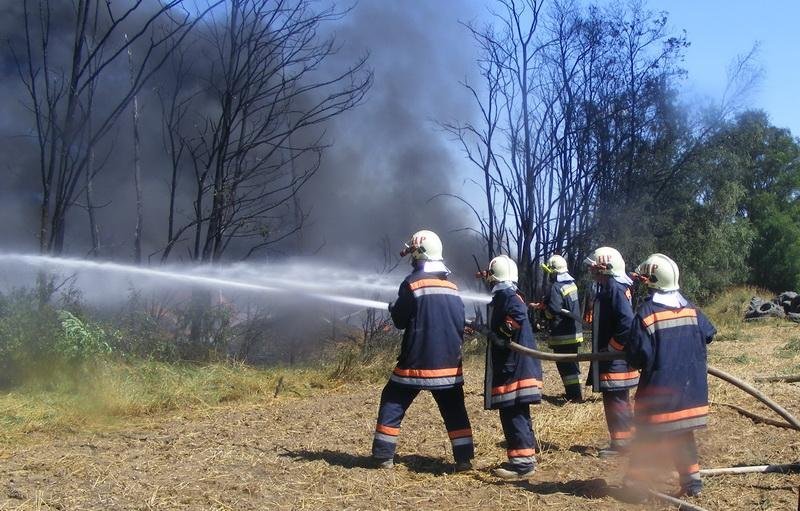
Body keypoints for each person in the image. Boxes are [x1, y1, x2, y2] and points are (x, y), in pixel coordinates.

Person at [371, 230, 474, 471]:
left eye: (413, 254)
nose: (411, 259)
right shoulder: (452, 287)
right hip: (449, 363)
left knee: (393, 401)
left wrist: (394, 308)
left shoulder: (412, 283)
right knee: (454, 409)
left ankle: (383, 456)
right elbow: (458, 321)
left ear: (419, 255)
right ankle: (464, 459)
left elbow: (400, 320)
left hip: (416, 363)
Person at [624, 253, 716, 498]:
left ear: (651, 281)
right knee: (683, 436)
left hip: (659, 397)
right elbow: (708, 334)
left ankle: (636, 486)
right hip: (691, 395)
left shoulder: (647, 313)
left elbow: (636, 357)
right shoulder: (692, 310)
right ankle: (692, 483)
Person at [481, 255, 543, 479]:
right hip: (516, 367)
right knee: (517, 413)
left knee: (513, 414)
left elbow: (518, 314)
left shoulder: (507, 295)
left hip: (514, 369)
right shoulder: (505, 295)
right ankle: (525, 459)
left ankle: (522, 465)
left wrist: (503, 333)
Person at [584, 246, 639, 457]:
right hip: (615, 358)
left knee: (615, 400)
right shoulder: (612, 287)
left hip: (614, 359)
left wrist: (612, 348)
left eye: (594, 268)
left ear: (604, 268)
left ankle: (622, 446)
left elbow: (626, 323)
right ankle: (625, 441)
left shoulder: (614, 288)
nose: (591, 272)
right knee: (619, 399)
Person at [531, 254, 583, 402]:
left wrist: (543, 312)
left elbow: (553, 310)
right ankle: (576, 393)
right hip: (574, 333)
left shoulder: (556, 287)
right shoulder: (571, 284)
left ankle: (573, 396)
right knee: (573, 366)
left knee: (566, 368)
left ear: (554, 272)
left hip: (562, 335)